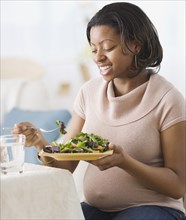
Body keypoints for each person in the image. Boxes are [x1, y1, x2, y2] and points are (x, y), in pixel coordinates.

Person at [13, 2, 186, 220]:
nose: (98, 57)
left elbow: (178, 185)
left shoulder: (168, 98)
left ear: (136, 45)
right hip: (96, 210)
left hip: (155, 208)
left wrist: (125, 162)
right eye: (94, 49)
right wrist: (40, 142)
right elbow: (65, 165)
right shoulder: (89, 92)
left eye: (108, 47)